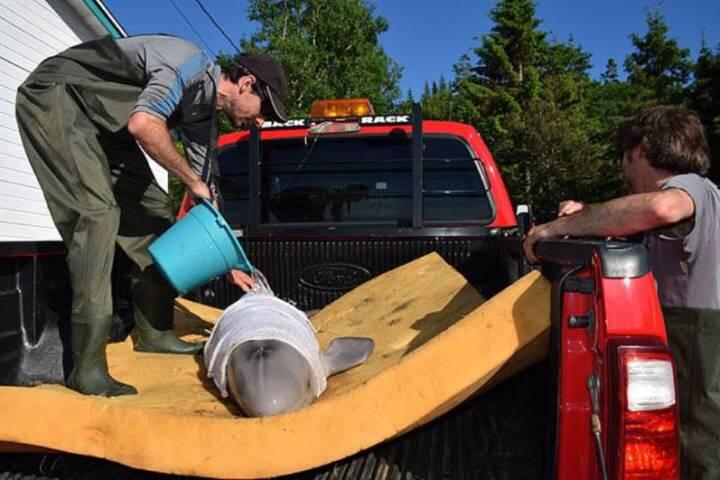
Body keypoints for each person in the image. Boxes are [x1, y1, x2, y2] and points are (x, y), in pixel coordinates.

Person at [15, 34, 288, 397]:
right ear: (246, 83)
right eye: (264, 110)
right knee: (97, 216)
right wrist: (190, 180)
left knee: (157, 214)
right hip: (58, 97)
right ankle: (88, 369)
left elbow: (207, 195)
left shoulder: (202, 114)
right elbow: (143, 125)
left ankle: (155, 331)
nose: (260, 122)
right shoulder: (186, 61)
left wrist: (231, 262)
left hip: (106, 129)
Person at [524, 105, 720, 478]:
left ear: (641, 150)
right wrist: (587, 217)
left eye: (624, 159)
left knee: (696, 446)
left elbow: (663, 207)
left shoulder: (691, 187)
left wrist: (555, 228)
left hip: (699, 339)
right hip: (686, 336)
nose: (623, 171)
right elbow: (642, 223)